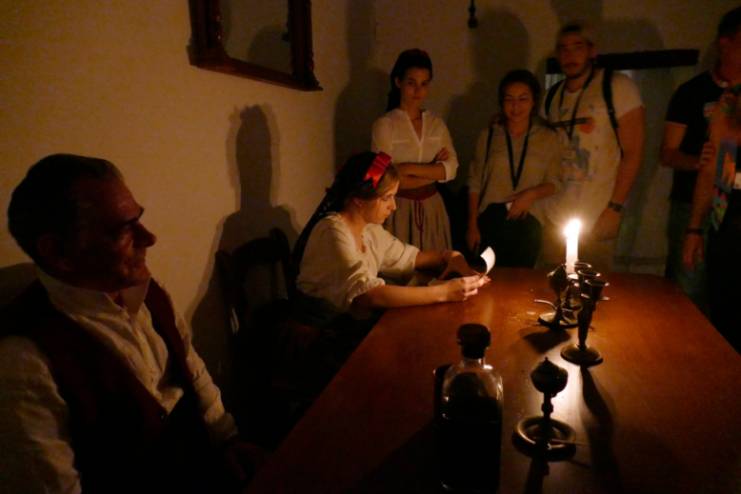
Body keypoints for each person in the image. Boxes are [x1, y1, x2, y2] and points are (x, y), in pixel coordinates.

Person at [0, 154, 262, 493]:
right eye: (122, 229)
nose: (149, 237)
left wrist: (227, 440)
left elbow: (190, 366)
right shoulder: (23, 360)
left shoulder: (147, 291)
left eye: (139, 219)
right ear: (57, 253)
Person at [539, 21, 645, 272]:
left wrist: (615, 208)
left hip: (598, 215)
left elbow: (633, 152)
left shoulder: (617, 87)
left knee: (595, 286)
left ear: (592, 50)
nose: (570, 55)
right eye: (563, 49)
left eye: (577, 47)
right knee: (553, 284)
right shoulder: (551, 96)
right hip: (554, 216)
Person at [661, 6, 741, 312]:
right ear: (725, 43)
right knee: (691, 290)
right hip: (703, 203)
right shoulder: (697, 94)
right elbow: (671, 154)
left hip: (728, 209)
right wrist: (699, 161)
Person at [466, 69, 562, 267]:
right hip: (490, 220)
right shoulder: (489, 135)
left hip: (529, 223)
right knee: (487, 279)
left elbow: (555, 182)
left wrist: (530, 194)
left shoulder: (548, 138)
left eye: (523, 99)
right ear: (502, 102)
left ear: (533, 101)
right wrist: (472, 225)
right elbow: (474, 182)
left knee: (522, 281)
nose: (515, 106)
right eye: (509, 99)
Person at [371, 49, 459, 251]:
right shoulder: (385, 125)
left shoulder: (436, 125)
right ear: (398, 82)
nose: (418, 91)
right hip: (398, 208)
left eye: (424, 84)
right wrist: (433, 171)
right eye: (411, 83)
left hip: (432, 208)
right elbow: (382, 177)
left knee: (434, 262)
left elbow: (452, 168)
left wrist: (406, 169)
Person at [683, 80, 741, 353]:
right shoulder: (727, 141)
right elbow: (711, 176)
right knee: (723, 319)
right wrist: (694, 230)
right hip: (725, 236)